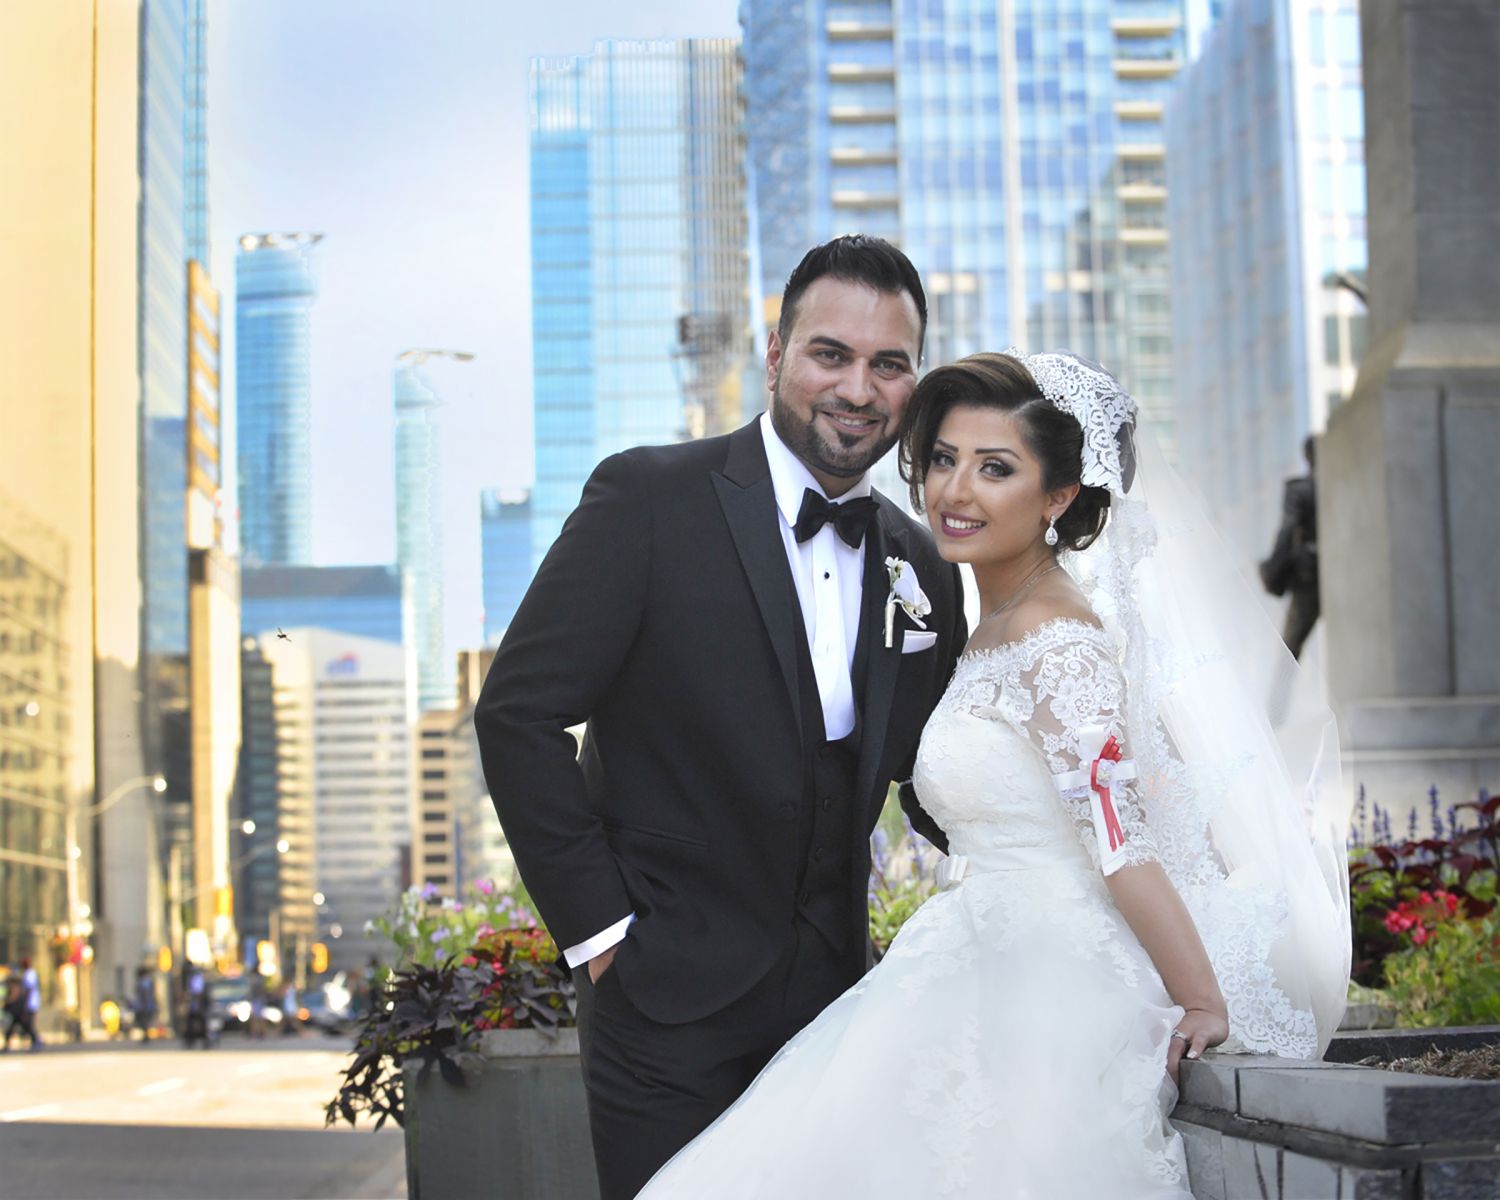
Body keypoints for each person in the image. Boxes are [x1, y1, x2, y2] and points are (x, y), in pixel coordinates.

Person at [638, 352, 1352, 1197]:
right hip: (969, 947)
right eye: (944, 459)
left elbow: (1120, 842)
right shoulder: (996, 624)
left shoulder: (1060, 645)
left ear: (1058, 498)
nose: (955, 491)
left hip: (1046, 979)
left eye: (996, 469)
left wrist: (1201, 1002)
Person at [475, 235, 967, 1199]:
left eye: (888, 364)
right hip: (661, 1005)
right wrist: (603, 937)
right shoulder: (648, 498)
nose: (858, 389)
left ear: (915, 382)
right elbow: (518, 716)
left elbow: (935, 777)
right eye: (831, 354)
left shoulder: (923, 561)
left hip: (838, 1010)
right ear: (777, 353)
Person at [1259, 435, 1320, 659]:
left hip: (1309, 577)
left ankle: (1278, 694)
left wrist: (1273, 568)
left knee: (1289, 649)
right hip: (1333, 573)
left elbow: (1286, 531)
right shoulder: (1337, 485)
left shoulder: (1300, 490)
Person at [132, 966, 158, 1041]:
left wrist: (145, 1003)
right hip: (146, 1004)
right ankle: (145, 1034)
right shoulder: (147, 981)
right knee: (144, 1020)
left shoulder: (144, 982)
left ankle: (146, 1034)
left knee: (143, 1020)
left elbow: (145, 993)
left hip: (144, 1004)